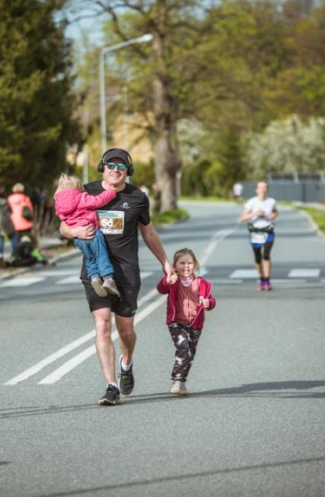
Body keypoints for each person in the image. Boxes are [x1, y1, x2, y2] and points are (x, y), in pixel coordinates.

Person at [60, 148, 173, 406]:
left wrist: (166, 263)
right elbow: (64, 222)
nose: (116, 170)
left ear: (128, 171)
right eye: (111, 164)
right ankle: (111, 386)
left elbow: (149, 234)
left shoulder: (137, 197)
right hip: (95, 272)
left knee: (126, 330)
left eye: (121, 166)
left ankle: (127, 362)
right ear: (103, 167)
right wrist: (73, 230)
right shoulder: (85, 191)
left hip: (126, 271)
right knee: (102, 324)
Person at [156, 248, 216, 396]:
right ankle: (176, 380)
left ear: (195, 264)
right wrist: (167, 279)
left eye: (189, 263)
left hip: (195, 324)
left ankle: (182, 382)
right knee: (183, 347)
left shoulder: (201, 283)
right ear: (175, 266)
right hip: (176, 322)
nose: (186, 266)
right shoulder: (173, 280)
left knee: (190, 354)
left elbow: (210, 299)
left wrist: (210, 303)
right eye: (182, 263)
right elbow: (161, 289)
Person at [54, 173, 120, 298]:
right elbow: (98, 201)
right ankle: (108, 279)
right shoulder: (81, 197)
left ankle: (95, 278)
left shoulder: (59, 203)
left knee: (90, 258)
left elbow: (63, 219)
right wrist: (111, 192)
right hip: (92, 232)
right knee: (101, 254)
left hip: (78, 237)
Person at [239, 180, 278, 291]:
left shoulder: (271, 201)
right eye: (260, 187)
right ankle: (261, 279)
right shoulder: (251, 202)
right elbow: (243, 218)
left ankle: (267, 280)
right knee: (258, 258)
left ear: (267, 189)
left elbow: (275, 212)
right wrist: (255, 213)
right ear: (256, 190)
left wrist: (273, 216)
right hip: (255, 232)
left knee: (266, 255)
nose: (263, 189)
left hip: (268, 231)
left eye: (265, 187)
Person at [0, 187, 18, 260]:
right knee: (13, 237)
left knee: (0, 238)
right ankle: (15, 253)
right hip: (8, 221)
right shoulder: (6, 202)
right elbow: (11, 211)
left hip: (0, 222)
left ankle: (0, 254)